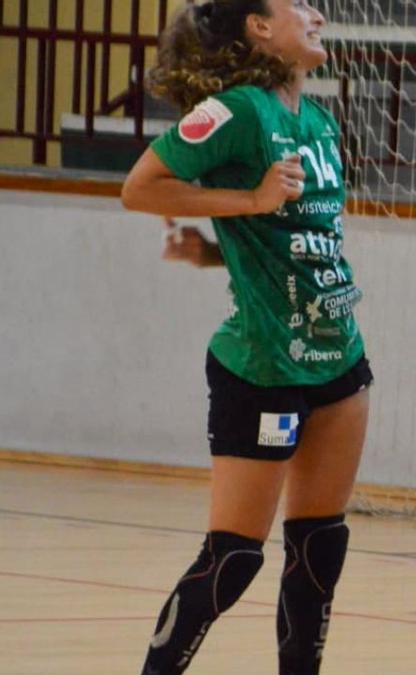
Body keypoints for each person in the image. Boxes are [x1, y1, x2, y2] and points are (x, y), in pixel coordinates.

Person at [120, 1, 371, 673]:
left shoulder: (316, 121)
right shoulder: (236, 111)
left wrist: (214, 249)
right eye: (297, 4)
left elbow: (288, 239)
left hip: (339, 356)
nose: (316, 12)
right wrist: (249, 202)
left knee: (320, 549)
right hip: (264, 365)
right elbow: (141, 189)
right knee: (232, 557)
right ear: (259, 27)